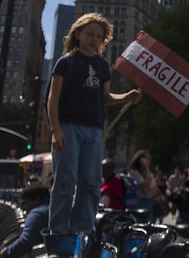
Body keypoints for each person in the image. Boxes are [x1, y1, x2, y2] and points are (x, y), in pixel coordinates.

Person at [47, 12, 142, 236]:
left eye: (99, 36)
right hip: (68, 126)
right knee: (65, 179)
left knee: (90, 182)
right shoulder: (65, 62)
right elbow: (53, 98)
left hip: (94, 129)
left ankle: (83, 230)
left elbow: (105, 97)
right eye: (89, 34)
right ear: (77, 34)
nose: (94, 39)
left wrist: (125, 96)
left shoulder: (101, 65)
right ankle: (59, 231)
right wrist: (55, 129)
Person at [0, 183, 50, 258]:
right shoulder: (51, 209)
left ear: (36, 200)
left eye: (27, 202)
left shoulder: (36, 214)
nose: (24, 207)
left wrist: (5, 252)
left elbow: (26, 242)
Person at [128, 150, 160, 221]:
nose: (147, 161)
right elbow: (146, 188)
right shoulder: (135, 173)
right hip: (141, 204)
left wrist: (150, 192)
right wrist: (147, 169)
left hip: (150, 204)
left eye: (149, 158)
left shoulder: (149, 173)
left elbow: (156, 189)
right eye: (145, 158)